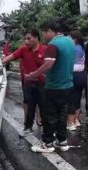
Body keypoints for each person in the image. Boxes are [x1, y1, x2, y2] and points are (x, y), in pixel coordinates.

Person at [25, 18, 74, 151]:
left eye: (45, 33)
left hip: (54, 87)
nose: (45, 36)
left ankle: (47, 143)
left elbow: (48, 64)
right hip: (67, 85)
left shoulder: (53, 44)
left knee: (49, 116)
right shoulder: (70, 42)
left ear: (50, 31)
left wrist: (33, 75)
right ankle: (62, 141)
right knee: (62, 115)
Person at [3, 28, 46, 136]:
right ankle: (28, 128)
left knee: (44, 106)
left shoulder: (45, 49)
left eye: (29, 38)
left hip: (43, 83)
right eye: (25, 39)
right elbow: (10, 57)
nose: (26, 41)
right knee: (29, 105)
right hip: (28, 83)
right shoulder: (23, 50)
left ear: (36, 38)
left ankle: (48, 130)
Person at [67, 31, 87, 131]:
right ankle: (76, 120)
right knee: (78, 97)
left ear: (75, 39)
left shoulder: (72, 48)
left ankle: (70, 122)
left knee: (71, 98)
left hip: (73, 74)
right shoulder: (83, 47)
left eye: (69, 38)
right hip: (82, 75)